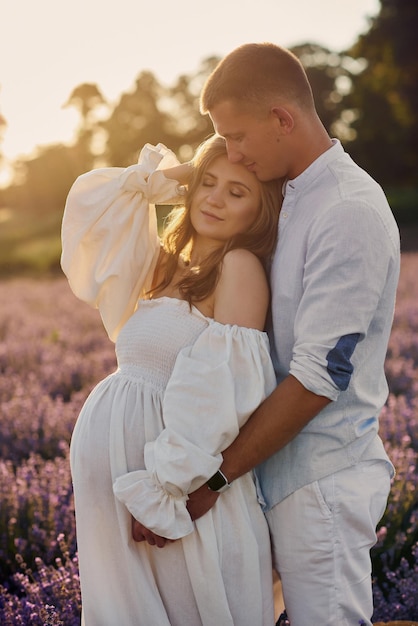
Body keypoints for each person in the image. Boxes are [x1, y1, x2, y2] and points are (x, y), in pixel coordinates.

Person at [182, 43, 400, 626]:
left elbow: (316, 377)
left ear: (282, 119)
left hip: (320, 480)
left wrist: (216, 477)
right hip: (271, 474)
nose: (230, 153)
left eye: (237, 138)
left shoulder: (346, 209)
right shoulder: (294, 192)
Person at [61, 135, 282, 625]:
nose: (214, 199)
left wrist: (165, 492)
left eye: (237, 192)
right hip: (126, 490)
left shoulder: (238, 269)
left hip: (171, 491)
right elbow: (93, 204)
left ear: (259, 211)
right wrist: (187, 171)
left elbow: (225, 395)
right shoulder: (164, 263)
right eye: (208, 184)